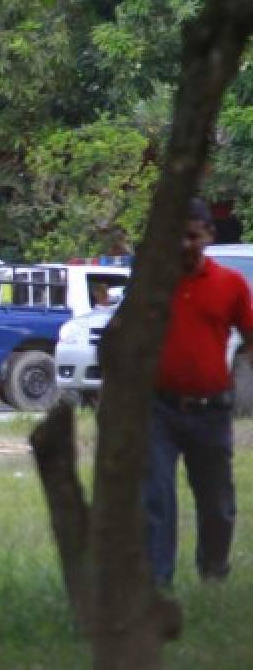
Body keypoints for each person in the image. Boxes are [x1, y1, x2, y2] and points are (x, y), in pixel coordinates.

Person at [143, 198, 253, 588]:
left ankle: (213, 574)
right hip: (158, 410)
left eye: (192, 236)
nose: (183, 245)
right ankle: (157, 583)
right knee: (156, 498)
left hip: (212, 412)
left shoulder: (231, 284)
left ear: (208, 235)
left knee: (217, 505)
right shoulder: (152, 282)